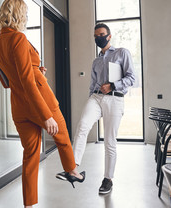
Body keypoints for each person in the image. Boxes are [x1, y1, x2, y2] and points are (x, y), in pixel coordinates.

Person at [0, 0, 85, 208]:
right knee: (62, 137)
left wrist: (37, 71)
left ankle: (29, 204)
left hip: (19, 107)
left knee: (30, 156)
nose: (26, 16)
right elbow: (26, 81)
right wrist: (46, 115)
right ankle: (72, 172)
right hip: (40, 102)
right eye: (25, 13)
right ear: (18, 14)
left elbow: (7, 81)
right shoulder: (19, 39)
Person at [57, 23, 135, 195]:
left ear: (109, 36)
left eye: (101, 34)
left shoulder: (122, 53)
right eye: (95, 36)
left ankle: (108, 179)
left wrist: (114, 85)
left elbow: (132, 78)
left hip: (115, 99)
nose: (98, 38)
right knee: (82, 126)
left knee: (110, 141)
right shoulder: (96, 61)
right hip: (96, 97)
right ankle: (73, 170)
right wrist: (92, 96)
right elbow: (92, 84)